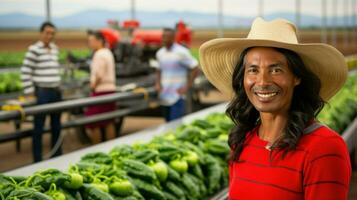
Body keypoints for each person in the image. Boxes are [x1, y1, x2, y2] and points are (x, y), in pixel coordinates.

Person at [199, 18, 351, 199]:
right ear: (243, 78)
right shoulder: (241, 141)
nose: (262, 82)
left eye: (276, 70)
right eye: (253, 70)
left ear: (296, 77)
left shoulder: (324, 148)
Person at [20, 22, 62, 162]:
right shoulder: (34, 49)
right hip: (42, 93)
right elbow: (25, 71)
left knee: (56, 125)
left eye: (52, 33)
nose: (50, 36)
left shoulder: (55, 49)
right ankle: (37, 160)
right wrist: (30, 92)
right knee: (39, 127)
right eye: (47, 33)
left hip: (56, 91)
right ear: (41, 33)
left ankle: (57, 156)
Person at [155, 28, 199, 121]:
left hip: (177, 96)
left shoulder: (181, 52)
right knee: (167, 123)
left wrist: (187, 86)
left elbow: (195, 67)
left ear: (173, 38)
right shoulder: (160, 53)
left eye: (167, 37)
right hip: (164, 95)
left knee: (175, 125)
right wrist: (158, 84)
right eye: (163, 37)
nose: (164, 39)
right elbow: (158, 70)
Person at [84, 30, 117, 144]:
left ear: (99, 41)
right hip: (110, 89)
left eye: (91, 41)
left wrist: (93, 86)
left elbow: (99, 74)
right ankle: (110, 146)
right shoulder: (108, 52)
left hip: (101, 91)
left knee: (93, 122)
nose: (90, 44)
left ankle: (96, 147)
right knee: (108, 120)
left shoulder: (99, 54)